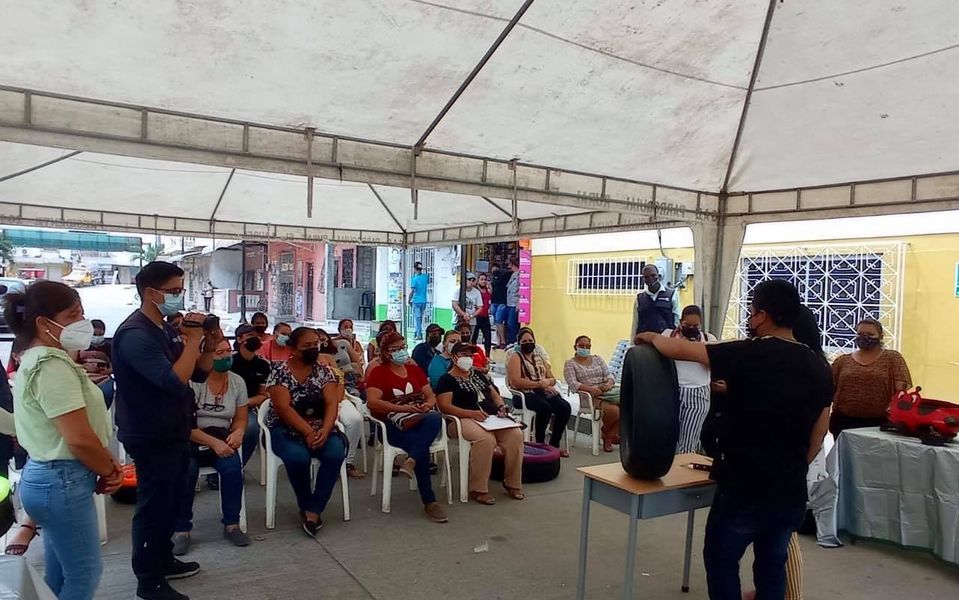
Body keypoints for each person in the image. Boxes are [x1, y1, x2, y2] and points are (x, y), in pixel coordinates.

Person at [636, 280, 832, 599]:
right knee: (772, 566)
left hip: (743, 487)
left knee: (722, 561)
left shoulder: (747, 353)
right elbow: (819, 433)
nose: (750, 318)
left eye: (751, 311)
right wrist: (793, 465)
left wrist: (653, 337)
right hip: (789, 491)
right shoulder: (820, 367)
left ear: (762, 315)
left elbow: (680, 349)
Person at [4, 281, 122, 599]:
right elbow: (78, 438)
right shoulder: (50, 366)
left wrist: (105, 461)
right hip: (62, 479)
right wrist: (109, 470)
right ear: (44, 323)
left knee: (58, 573)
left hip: (53, 477)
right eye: (73, 315)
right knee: (84, 574)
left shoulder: (40, 359)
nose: (82, 322)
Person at [113, 261, 219, 600]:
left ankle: (163, 558)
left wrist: (208, 344)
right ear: (150, 293)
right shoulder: (135, 334)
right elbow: (173, 380)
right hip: (150, 433)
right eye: (173, 291)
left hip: (174, 429)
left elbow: (197, 373)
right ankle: (149, 580)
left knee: (171, 501)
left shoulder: (163, 328)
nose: (179, 297)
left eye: (180, 290)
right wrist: (192, 339)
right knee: (154, 507)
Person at [265, 327, 348, 537]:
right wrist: (308, 432)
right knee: (298, 457)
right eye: (307, 345)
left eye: (316, 344)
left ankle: (314, 511)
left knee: (335, 452)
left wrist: (326, 429)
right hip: (285, 428)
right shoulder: (279, 371)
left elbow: (331, 403)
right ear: (293, 349)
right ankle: (306, 503)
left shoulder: (324, 371)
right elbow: (283, 408)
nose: (313, 349)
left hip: (320, 426)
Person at [172, 339, 250, 555]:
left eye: (228, 351)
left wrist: (238, 432)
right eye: (219, 352)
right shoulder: (192, 382)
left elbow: (241, 418)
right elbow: (183, 426)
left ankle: (232, 524)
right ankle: (182, 529)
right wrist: (213, 443)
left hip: (222, 437)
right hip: (193, 439)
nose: (226, 356)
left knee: (233, 469)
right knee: (187, 471)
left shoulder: (237, 382)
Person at [365, 331, 448, 523]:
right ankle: (430, 501)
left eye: (402, 347)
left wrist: (427, 404)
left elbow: (430, 395)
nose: (401, 352)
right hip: (392, 427)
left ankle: (410, 461)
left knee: (434, 417)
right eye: (395, 349)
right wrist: (403, 408)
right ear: (386, 353)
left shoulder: (414, 370)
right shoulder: (379, 372)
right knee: (422, 449)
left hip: (420, 420)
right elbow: (373, 402)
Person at [435, 342, 525, 504]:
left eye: (471, 355)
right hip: (461, 420)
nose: (468, 359)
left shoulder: (477, 375)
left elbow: (494, 395)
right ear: (454, 358)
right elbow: (444, 406)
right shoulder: (446, 379)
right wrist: (470, 413)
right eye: (464, 355)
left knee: (515, 435)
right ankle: (478, 488)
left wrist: (501, 407)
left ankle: (512, 482)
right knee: (486, 440)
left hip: (490, 418)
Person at [830, 317, 911, 436]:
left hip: (880, 424)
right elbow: (829, 388)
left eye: (870, 334)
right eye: (860, 334)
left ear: (880, 336)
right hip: (844, 422)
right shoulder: (842, 361)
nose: (865, 337)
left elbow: (901, 390)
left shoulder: (893, 358)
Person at [507, 327, 571, 455]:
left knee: (564, 407)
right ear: (519, 343)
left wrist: (547, 383)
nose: (528, 343)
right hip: (523, 394)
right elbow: (515, 382)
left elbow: (552, 378)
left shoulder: (539, 358)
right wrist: (538, 384)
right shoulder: (515, 357)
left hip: (541, 391)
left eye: (530, 341)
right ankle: (539, 443)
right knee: (544, 407)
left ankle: (554, 445)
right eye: (524, 341)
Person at [662, 305, 717, 454]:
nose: (691, 328)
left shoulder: (709, 339)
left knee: (688, 442)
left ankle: (685, 464)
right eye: (687, 325)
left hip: (698, 393)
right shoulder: (668, 335)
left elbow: (715, 364)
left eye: (695, 326)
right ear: (680, 322)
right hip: (672, 391)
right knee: (667, 437)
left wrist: (697, 349)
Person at [316, 328, 365, 479]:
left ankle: (347, 462)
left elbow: (339, 380)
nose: (318, 344)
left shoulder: (328, 358)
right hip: (315, 402)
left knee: (355, 420)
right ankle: (329, 461)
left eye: (319, 341)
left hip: (338, 398)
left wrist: (336, 402)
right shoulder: (299, 362)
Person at [564, 335, 620, 453]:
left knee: (631, 407)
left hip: (607, 392)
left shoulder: (597, 359)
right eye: (581, 346)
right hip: (590, 397)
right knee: (614, 411)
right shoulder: (570, 364)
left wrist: (609, 383)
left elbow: (608, 374)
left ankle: (608, 434)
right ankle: (609, 437)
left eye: (588, 346)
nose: (585, 348)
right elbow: (573, 383)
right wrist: (592, 389)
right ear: (575, 347)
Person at [230, 324, 272, 468]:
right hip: (225, 405)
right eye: (250, 336)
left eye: (256, 336)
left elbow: (263, 395)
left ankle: (238, 466)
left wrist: (244, 403)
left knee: (252, 428)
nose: (255, 339)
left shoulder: (263, 365)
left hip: (248, 408)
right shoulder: (230, 362)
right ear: (239, 339)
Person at [631, 264, 680, 340]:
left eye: (653, 275)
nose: (650, 279)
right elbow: (635, 323)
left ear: (659, 276)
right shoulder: (639, 299)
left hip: (666, 341)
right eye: (646, 277)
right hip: (645, 342)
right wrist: (633, 342)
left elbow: (677, 319)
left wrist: (676, 340)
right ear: (643, 280)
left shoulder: (672, 295)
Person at [77, 318, 115, 409]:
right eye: (94, 334)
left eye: (100, 335)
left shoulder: (109, 347)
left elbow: (115, 364)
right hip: (84, 376)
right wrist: (83, 367)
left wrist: (108, 370)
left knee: (106, 393)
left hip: (103, 377)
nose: (97, 337)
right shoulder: (79, 346)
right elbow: (72, 363)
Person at [332, 319, 365, 396]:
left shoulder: (356, 344)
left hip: (356, 377)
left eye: (350, 327)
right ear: (339, 329)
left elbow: (360, 363)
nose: (348, 329)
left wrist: (362, 378)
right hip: (341, 377)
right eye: (345, 327)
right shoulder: (333, 343)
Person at [490, 263, 511, 349]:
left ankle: (503, 340)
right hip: (494, 302)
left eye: (496, 269)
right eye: (493, 269)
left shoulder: (504, 276)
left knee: (499, 320)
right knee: (496, 322)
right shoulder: (493, 279)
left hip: (502, 302)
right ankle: (498, 341)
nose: (495, 271)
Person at [471, 272, 493, 355]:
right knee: (474, 336)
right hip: (477, 316)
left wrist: (489, 287)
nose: (483, 281)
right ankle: (473, 354)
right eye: (482, 279)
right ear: (478, 280)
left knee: (488, 336)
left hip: (485, 316)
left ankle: (487, 355)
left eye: (485, 279)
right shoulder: (475, 290)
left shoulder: (488, 290)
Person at [408, 262, 429, 340]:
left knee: (417, 319)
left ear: (414, 269)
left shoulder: (414, 279)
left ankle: (419, 335)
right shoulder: (425, 277)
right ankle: (417, 333)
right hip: (424, 301)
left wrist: (409, 300)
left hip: (416, 301)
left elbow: (412, 291)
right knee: (420, 319)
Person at [504, 258, 521, 345]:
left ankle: (513, 342)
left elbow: (521, 289)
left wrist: (519, 302)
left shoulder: (520, 275)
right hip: (509, 302)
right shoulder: (513, 275)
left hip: (515, 303)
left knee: (512, 324)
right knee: (509, 323)